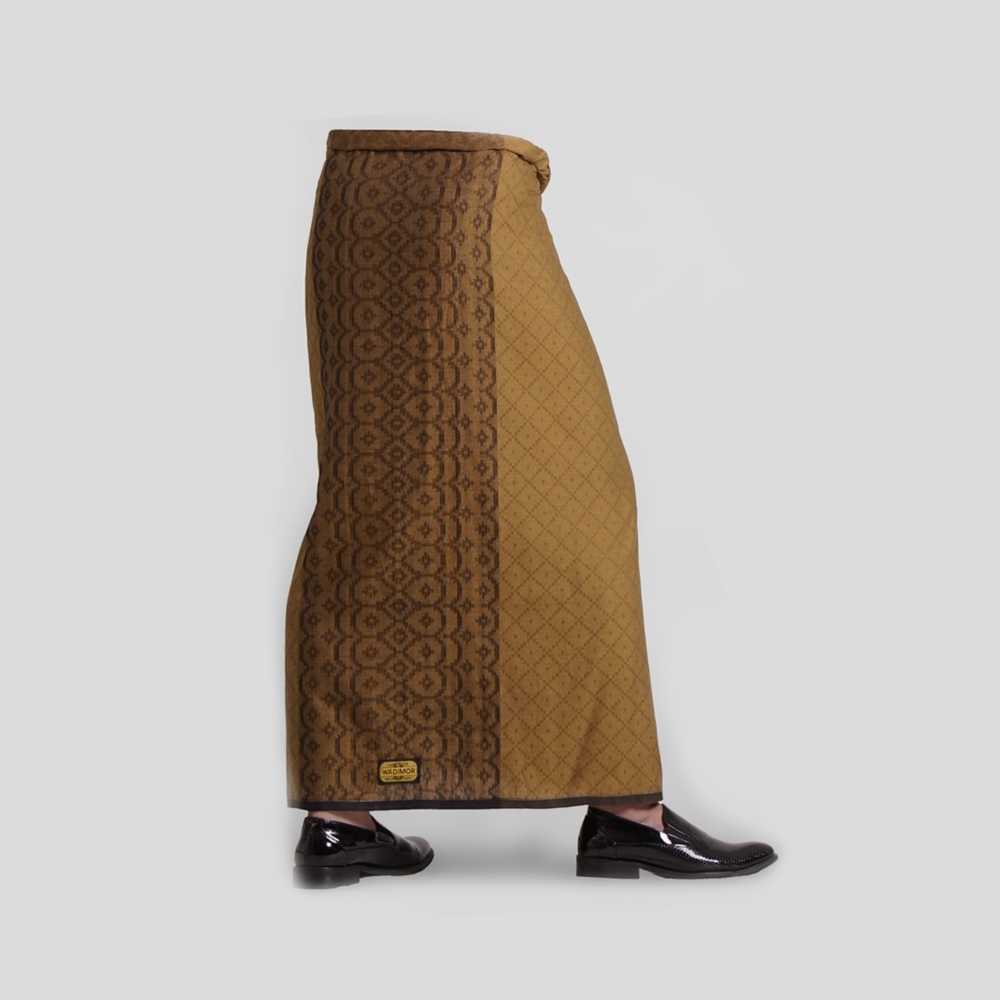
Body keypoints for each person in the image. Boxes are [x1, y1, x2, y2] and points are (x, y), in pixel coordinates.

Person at [284, 128, 777, 888]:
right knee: (579, 496)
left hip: (353, 200)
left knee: (374, 498)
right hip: (469, 191)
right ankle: (628, 812)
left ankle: (339, 819)